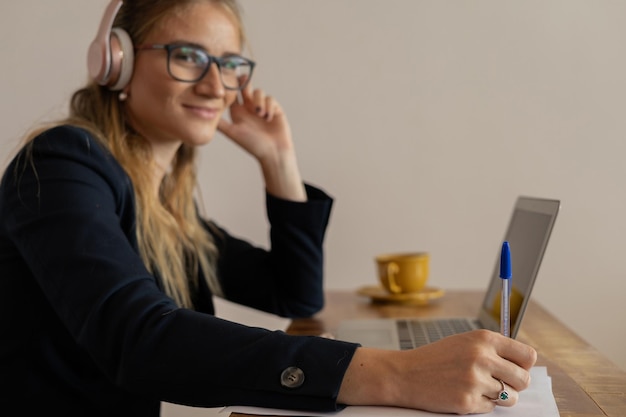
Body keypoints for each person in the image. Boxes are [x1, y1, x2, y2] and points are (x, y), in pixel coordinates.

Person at [0, 0, 537, 415]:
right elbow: (140, 339)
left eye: (230, 64)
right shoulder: (60, 166)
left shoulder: (163, 204)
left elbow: (293, 294)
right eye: (188, 56)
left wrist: (278, 159)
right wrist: (393, 374)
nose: (217, 85)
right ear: (115, 61)